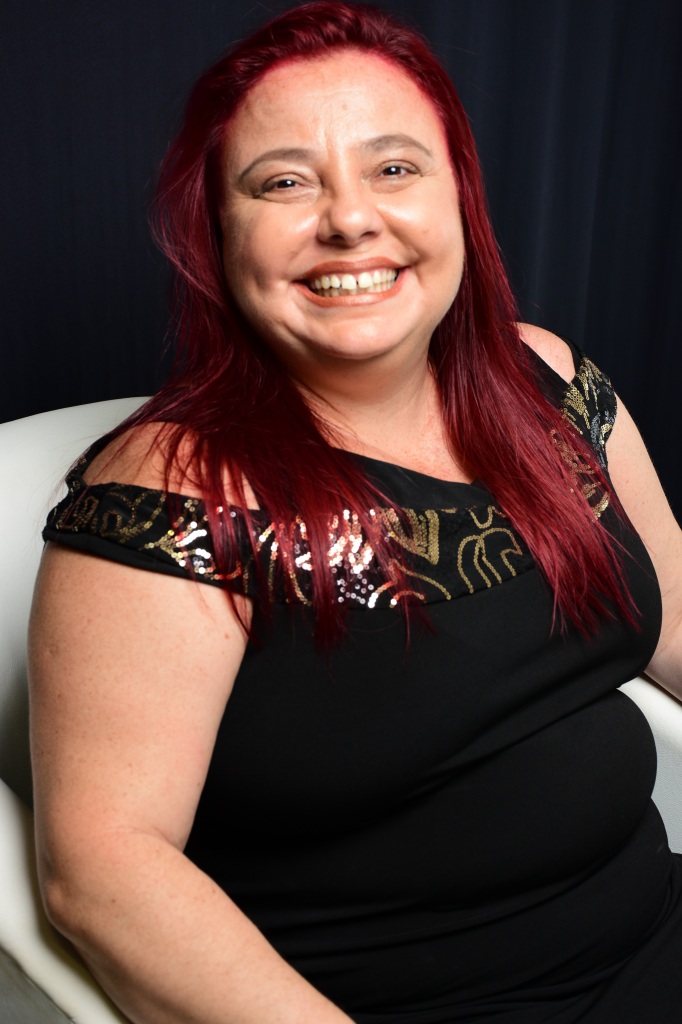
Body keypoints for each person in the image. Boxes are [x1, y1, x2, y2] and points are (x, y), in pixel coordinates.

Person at [28, 3, 682, 1022]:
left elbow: (674, 619)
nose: (349, 219)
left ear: (457, 195)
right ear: (218, 230)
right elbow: (103, 873)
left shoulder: (548, 381)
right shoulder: (170, 496)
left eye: (394, 168)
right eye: (283, 182)